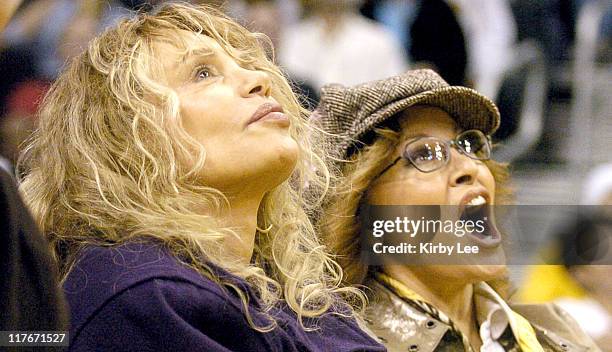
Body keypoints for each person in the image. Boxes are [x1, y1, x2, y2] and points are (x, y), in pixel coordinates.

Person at [17, 3, 384, 351]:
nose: (260, 77)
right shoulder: (146, 294)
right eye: (203, 73)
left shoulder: (292, 295)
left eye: (251, 63)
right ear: (128, 133)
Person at [314, 69, 600, 351]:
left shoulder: (555, 328)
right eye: (425, 153)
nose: (469, 166)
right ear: (357, 209)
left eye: (467, 145)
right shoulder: (345, 345)